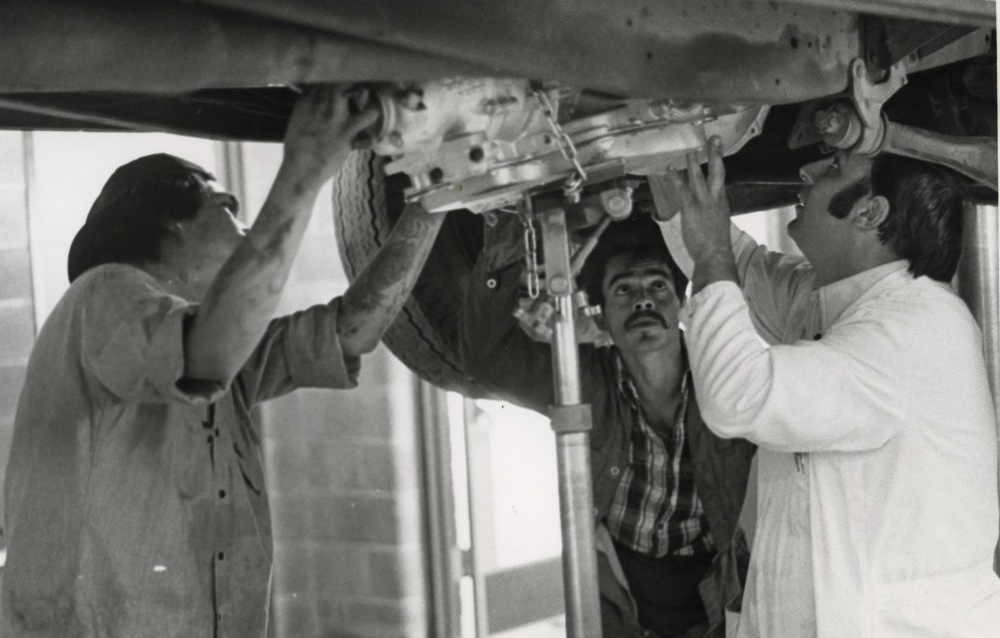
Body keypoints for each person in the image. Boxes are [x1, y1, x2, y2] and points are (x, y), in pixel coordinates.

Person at [1, 86, 447, 638]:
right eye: (226, 209)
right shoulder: (104, 294)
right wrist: (305, 167)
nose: (242, 228)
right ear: (172, 225)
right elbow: (210, 350)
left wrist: (434, 199)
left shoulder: (206, 340)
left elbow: (352, 330)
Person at [654, 137, 1000, 637]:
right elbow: (743, 273)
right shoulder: (841, 303)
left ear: (869, 212)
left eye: (834, 166)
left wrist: (710, 251)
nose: (809, 170)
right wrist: (668, 179)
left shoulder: (911, 332)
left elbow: (737, 396)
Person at [459, 210, 755, 637]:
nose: (643, 301)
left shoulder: (728, 377)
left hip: (717, 598)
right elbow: (489, 362)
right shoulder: (585, 382)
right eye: (623, 291)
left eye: (658, 285)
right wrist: (503, 241)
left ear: (682, 304)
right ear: (601, 320)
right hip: (625, 603)